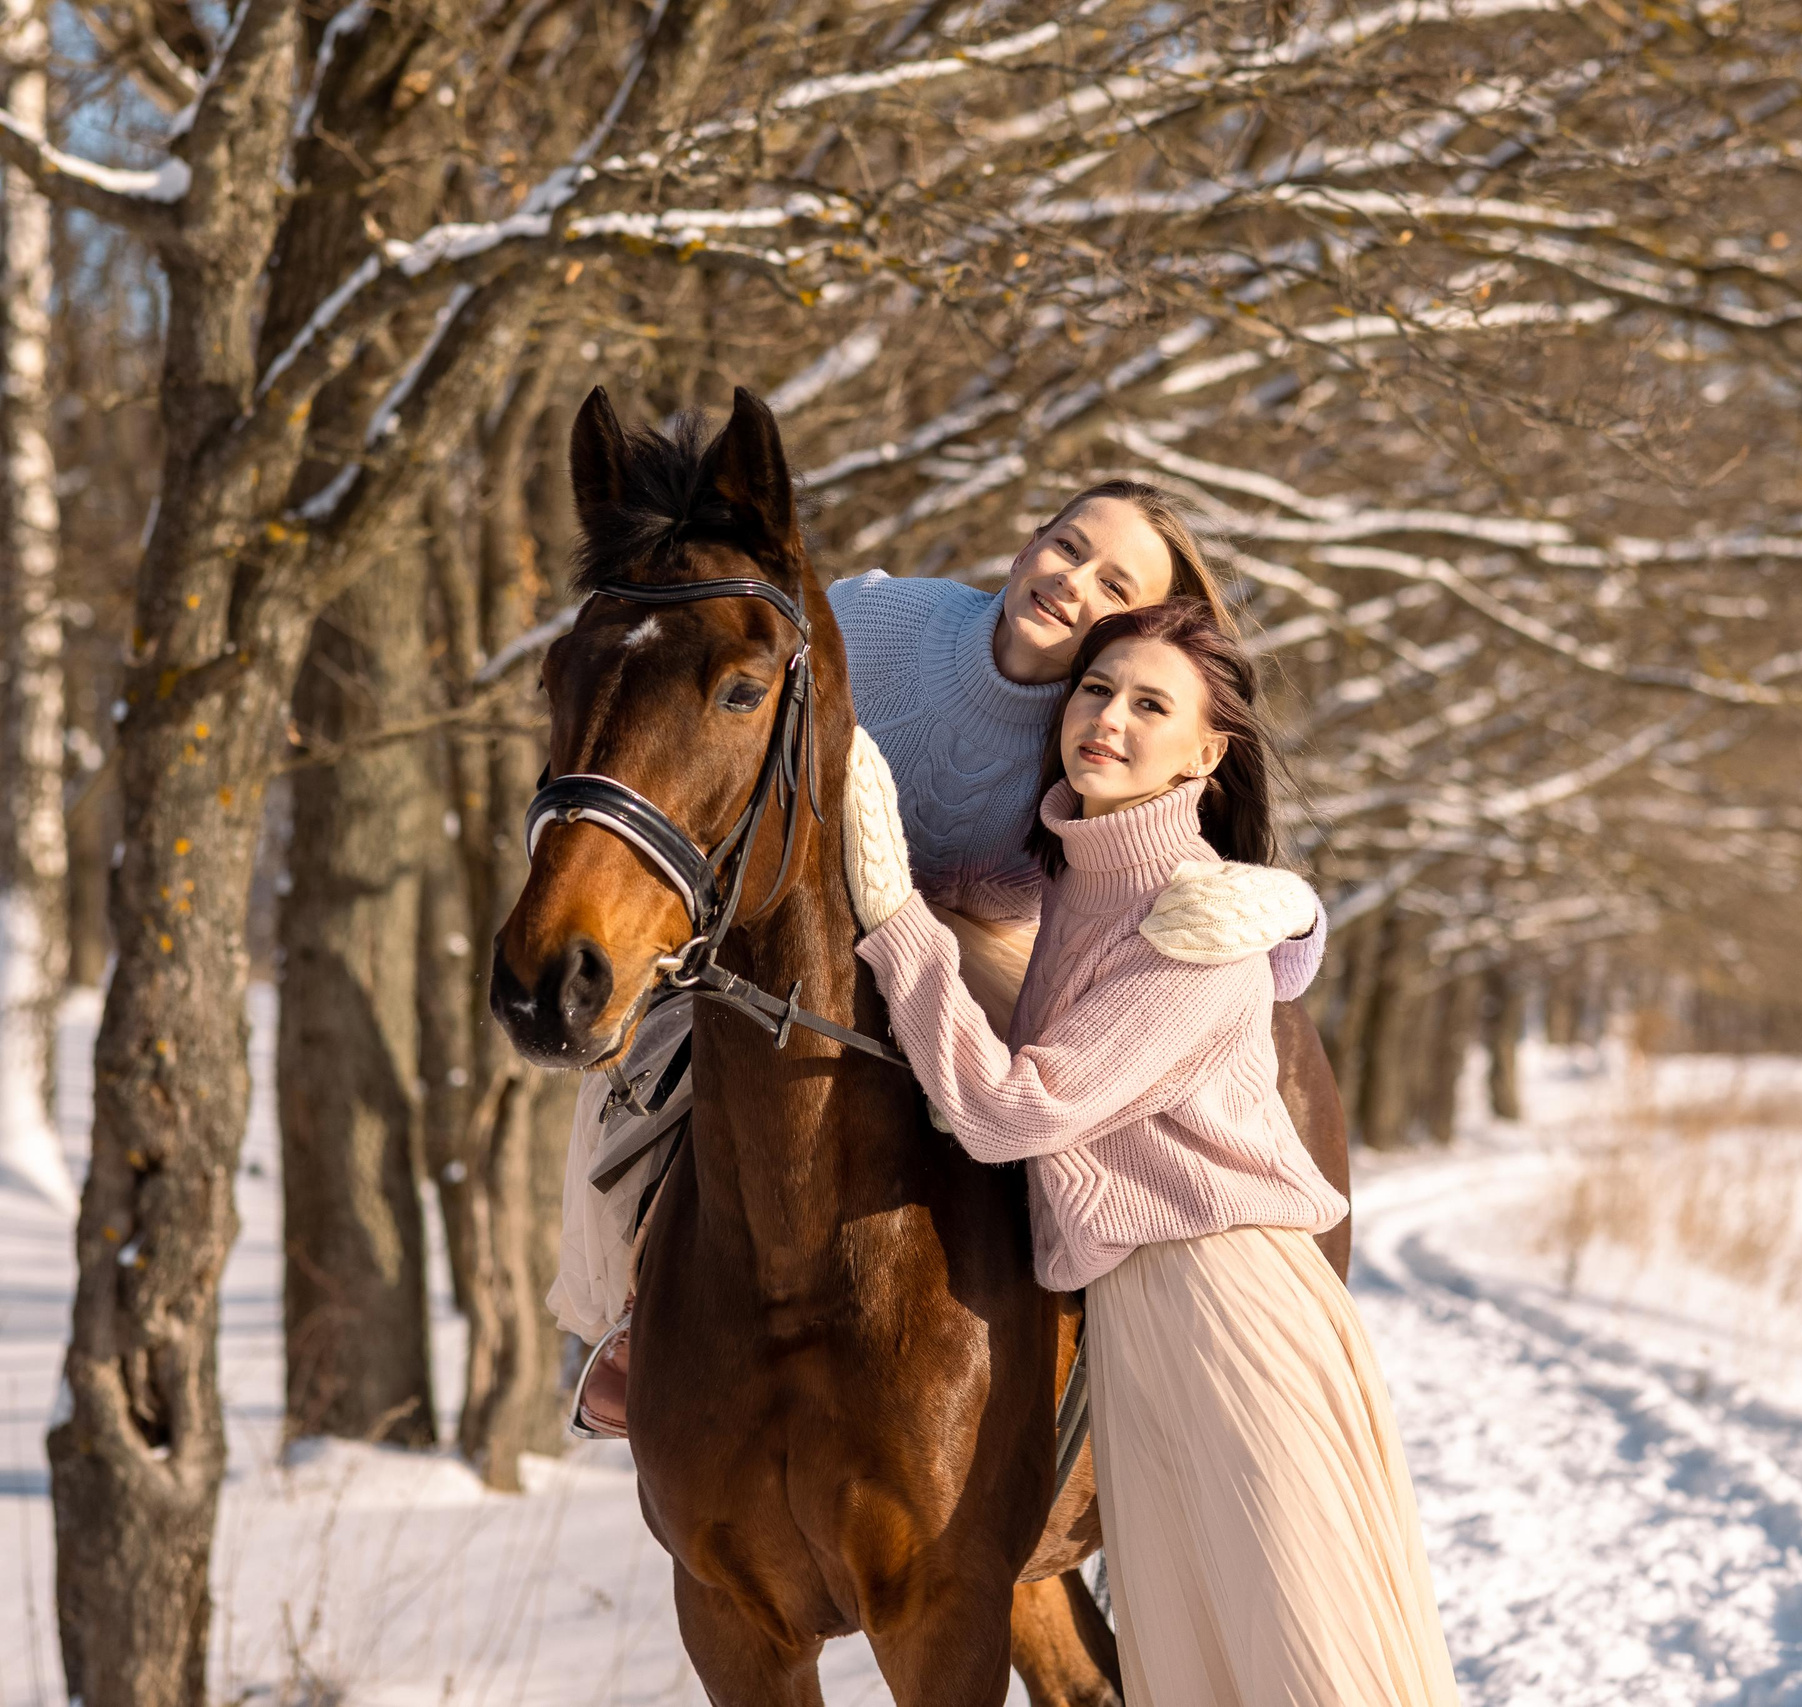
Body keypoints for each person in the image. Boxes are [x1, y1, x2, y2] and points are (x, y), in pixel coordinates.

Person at [550, 481, 1328, 1435]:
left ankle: (1040, 1364)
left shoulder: (1110, 715)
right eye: (1066, 545)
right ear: (1024, 546)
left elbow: (1176, 861)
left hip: (982, 943)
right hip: (806, 916)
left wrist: (1281, 909)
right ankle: (632, 1313)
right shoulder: (875, 619)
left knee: (1038, 1109)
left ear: (1145, 622)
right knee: (653, 1048)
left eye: (1113, 581)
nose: (1073, 580)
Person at [843, 599, 1461, 1707]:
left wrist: (895, 921)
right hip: (1136, 1325)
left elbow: (1010, 1112)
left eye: (1149, 704)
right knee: (1193, 1674)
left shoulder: (1198, 922)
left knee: (1301, 1665)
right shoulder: (1075, 883)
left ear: (1207, 751)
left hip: (1227, 1305)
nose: (1109, 719)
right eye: (1095, 690)